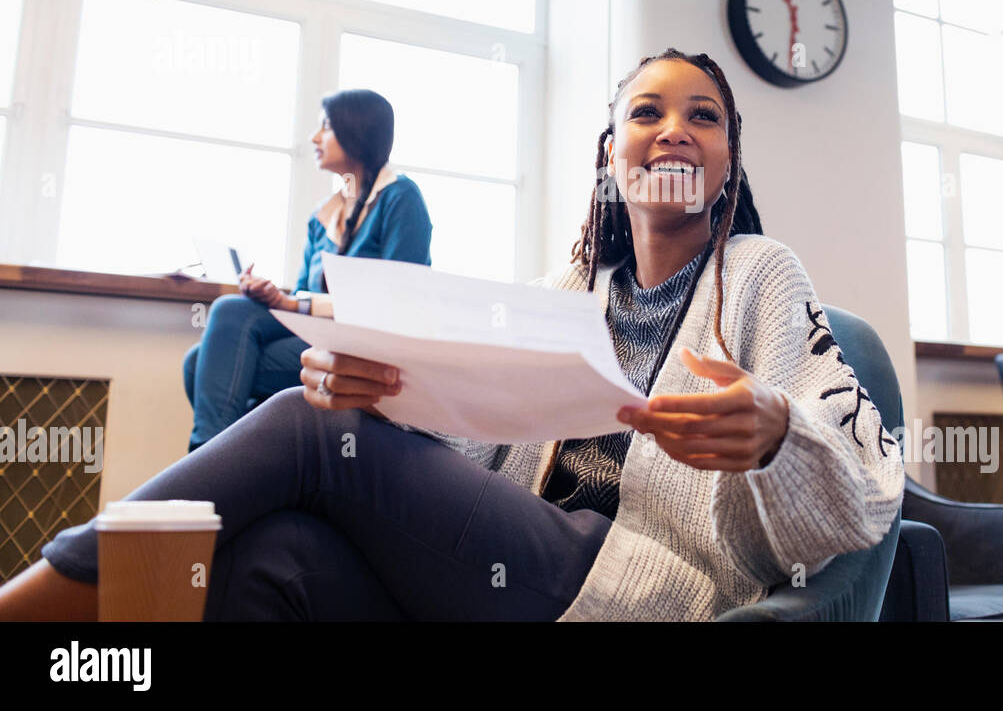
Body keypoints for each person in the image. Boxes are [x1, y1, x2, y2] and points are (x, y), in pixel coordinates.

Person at [0, 48, 904, 622]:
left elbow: (869, 483)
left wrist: (778, 431)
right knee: (273, 566)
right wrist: (382, 391)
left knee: (304, 428)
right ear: (609, 156)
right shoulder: (565, 292)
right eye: (646, 113)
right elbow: (470, 440)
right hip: (510, 565)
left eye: (703, 116)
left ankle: (39, 606)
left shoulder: (762, 273)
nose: (673, 130)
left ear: (729, 158)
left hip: (635, 585)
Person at [182, 88, 432, 451]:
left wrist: (294, 305)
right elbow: (302, 295)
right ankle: (230, 465)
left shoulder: (400, 197)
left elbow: (396, 299)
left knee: (207, 353)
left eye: (326, 127)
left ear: (356, 130)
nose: (315, 138)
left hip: (364, 345)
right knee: (214, 338)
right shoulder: (324, 216)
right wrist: (275, 297)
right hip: (318, 333)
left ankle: (205, 465)